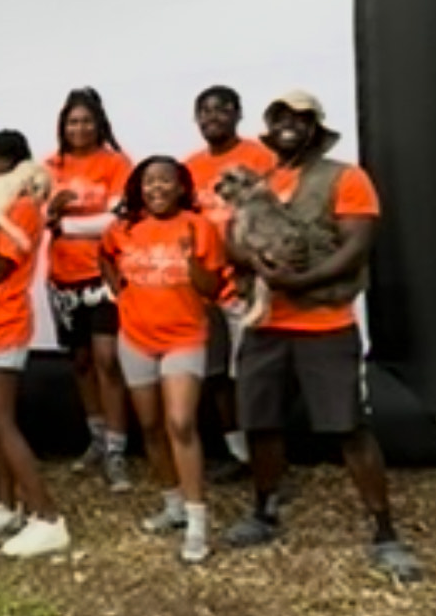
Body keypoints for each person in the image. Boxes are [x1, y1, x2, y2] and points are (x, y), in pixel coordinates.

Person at [222, 91, 422, 583]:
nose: (290, 125)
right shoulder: (262, 179)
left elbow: (356, 247)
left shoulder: (346, 178)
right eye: (280, 118)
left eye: (301, 118)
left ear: (316, 126)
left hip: (324, 324)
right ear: (269, 128)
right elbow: (234, 237)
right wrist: (250, 262)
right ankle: (264, 512)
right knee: (261, 421)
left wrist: (299, 282)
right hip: (265, 324)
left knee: (348, 427)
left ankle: (385, 532)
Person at [101, 157, 223, 565]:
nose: (156, 188)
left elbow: (210, 288)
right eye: (149, 182)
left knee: (181, 423)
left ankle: (197, 520)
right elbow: (105, 254)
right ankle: (171, 503)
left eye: (165, 181)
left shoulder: (198, 226)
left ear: (180, 187)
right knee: (151, 426)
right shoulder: (124, 228)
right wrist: (115, 286)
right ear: (139, 188)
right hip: (136, 338)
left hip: (184, 338)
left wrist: (190, 261)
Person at [0, 130, 70, 559]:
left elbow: (0, 269)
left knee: (1, 422)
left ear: (9, 163)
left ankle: (48, 517)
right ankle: (7, 505)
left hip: (3, 323)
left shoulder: (21, 208)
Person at [184, 86, 276, 477]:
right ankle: (239, 455)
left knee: (255, 376)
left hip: (248, 285)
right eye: (204, 111)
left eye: (222, 109)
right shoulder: (188, 166)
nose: (213, 117)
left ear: (238, 114)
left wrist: (254, 269)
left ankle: (269, 461)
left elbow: (275, 215)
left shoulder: (260, 157)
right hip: (207, 288)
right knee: (218, 376)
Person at [44, 87, 133, 489]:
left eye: (86, 121)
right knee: (80, 362)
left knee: (107, 359)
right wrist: (51, 215)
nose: (79, 128)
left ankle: (117, 447)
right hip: (62, 279)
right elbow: (36, 215)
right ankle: (96, 438)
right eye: (72, 121)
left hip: (103, 276)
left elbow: (115, 220)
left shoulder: (116, 164)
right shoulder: (50, 165)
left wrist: (65, 222)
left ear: (100, 124)